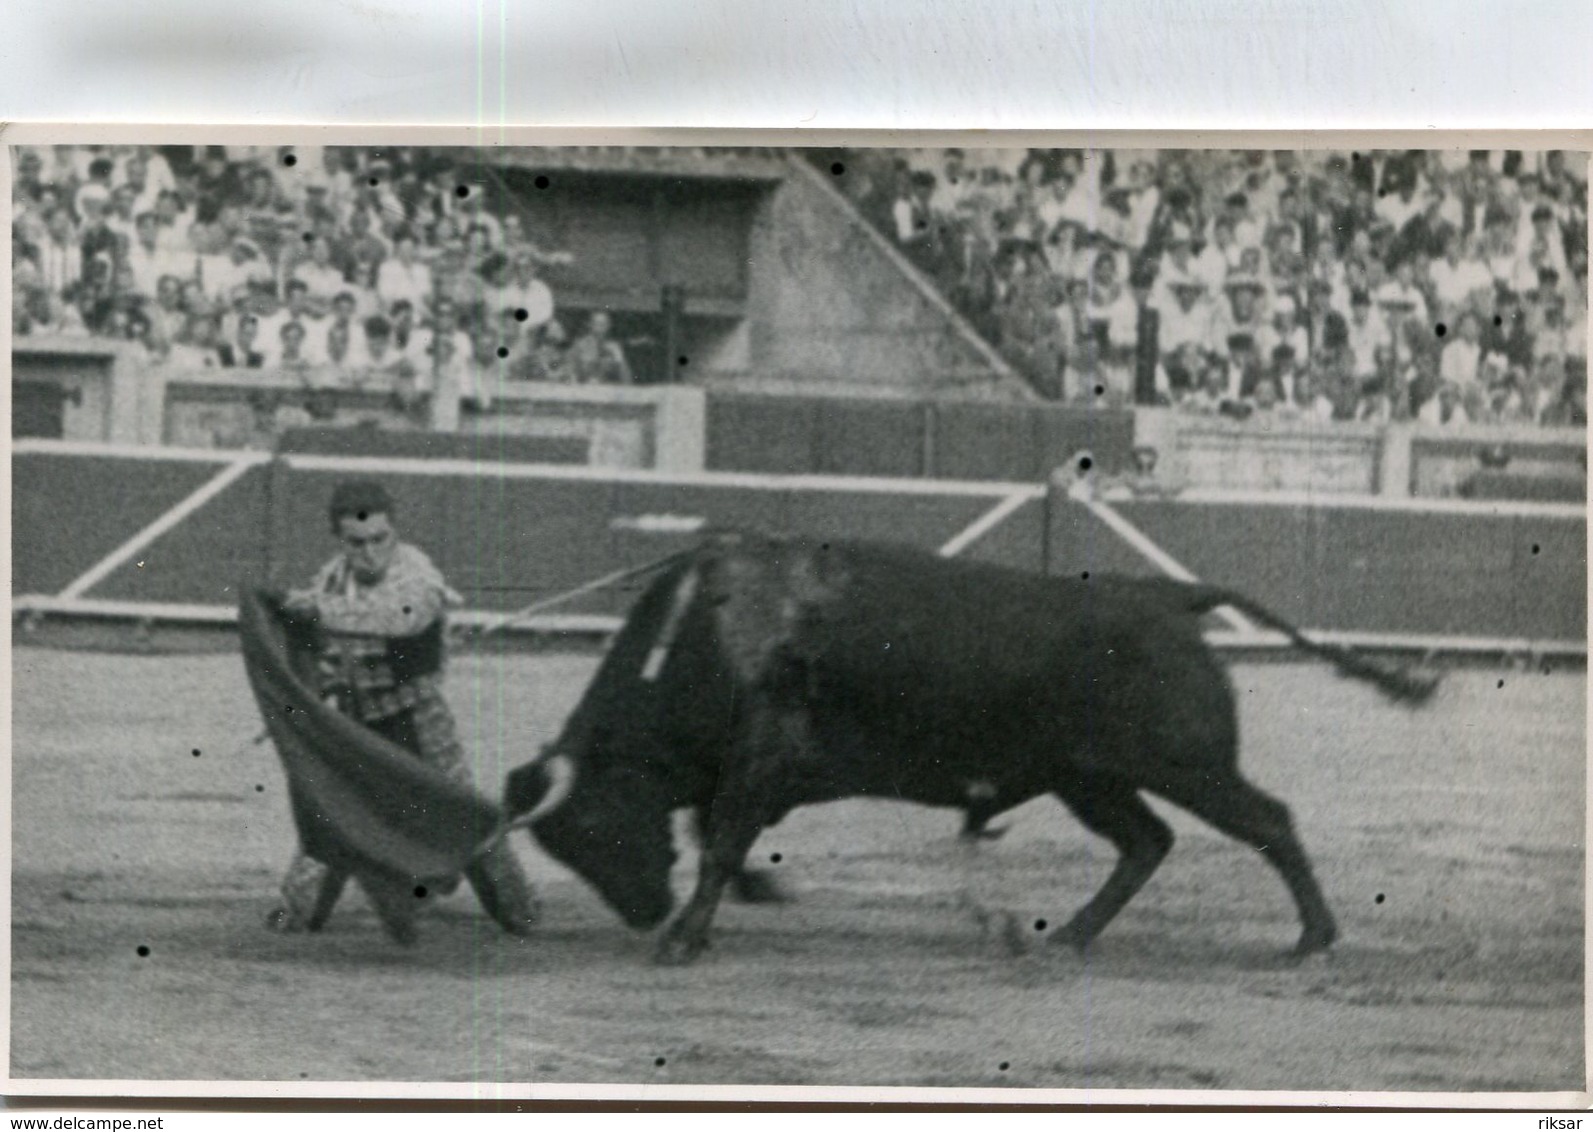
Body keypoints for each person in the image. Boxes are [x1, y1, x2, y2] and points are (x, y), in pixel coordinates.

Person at [266, 481, 538, 942]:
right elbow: (322, 647)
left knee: (460, 811)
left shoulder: (418, 574)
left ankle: (518, 908)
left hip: (417, 718)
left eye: (379, 540)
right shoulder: (332, 578)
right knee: (336, 808)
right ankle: (299, 907)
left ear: (394, 533)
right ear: (339, 539)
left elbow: (400, 617)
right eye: (357, 543)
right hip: (355, 721)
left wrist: (316, 610)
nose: (370, 553)